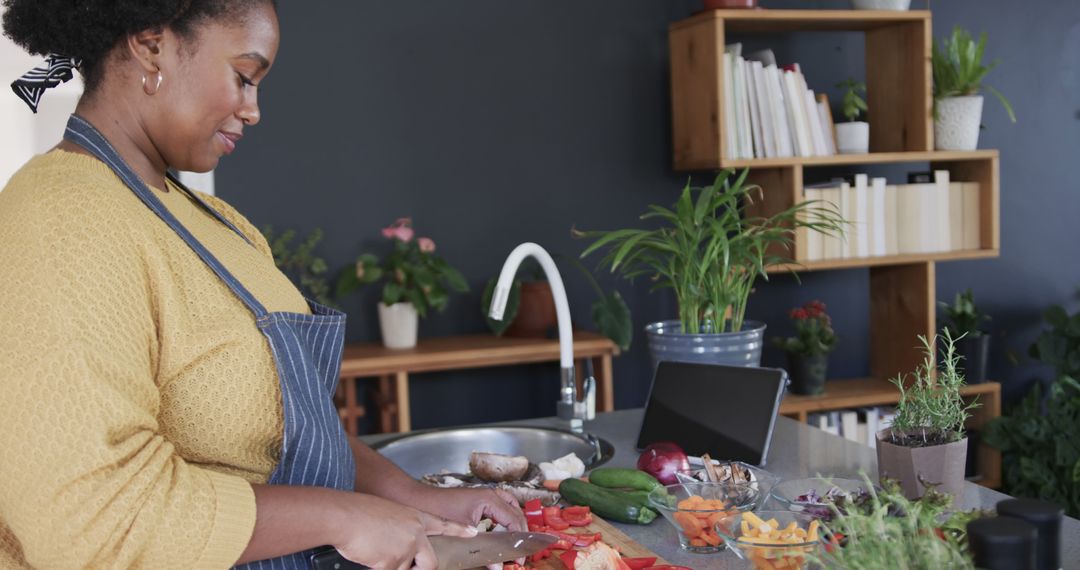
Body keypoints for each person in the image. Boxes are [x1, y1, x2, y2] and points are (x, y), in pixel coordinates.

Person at [0, 1, 525, 568]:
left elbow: (291, 431)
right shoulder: (60, 221)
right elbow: (94, 520)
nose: (253, 111)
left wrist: (416, 498)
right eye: (244, 78)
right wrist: (339, 517)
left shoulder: (222, 225)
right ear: (151, 46)